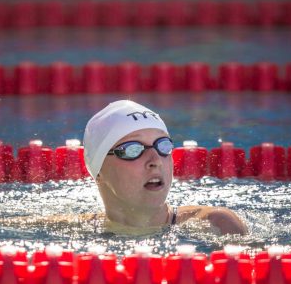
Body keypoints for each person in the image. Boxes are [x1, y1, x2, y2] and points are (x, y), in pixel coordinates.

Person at [83, 99, 247, 236]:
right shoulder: (67, 229)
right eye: (133, 149)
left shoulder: (217, 225)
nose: (156, 160)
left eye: (163, 146)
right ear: (99, 170)